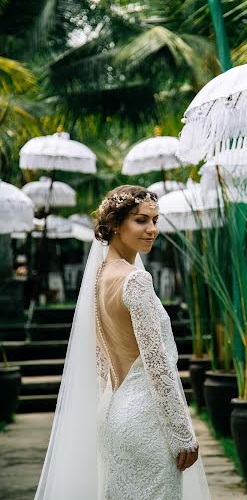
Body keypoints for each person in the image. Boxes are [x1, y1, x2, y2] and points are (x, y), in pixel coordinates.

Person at [35, 185, 210, 500]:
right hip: (146, 422)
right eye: (141, 220)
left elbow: (103, 359)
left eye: (155, 220)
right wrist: (183, 434)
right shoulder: (136, 280)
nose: (152, 230)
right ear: (115, 224)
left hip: (114, 414)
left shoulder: (99, 277)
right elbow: (156, 364)